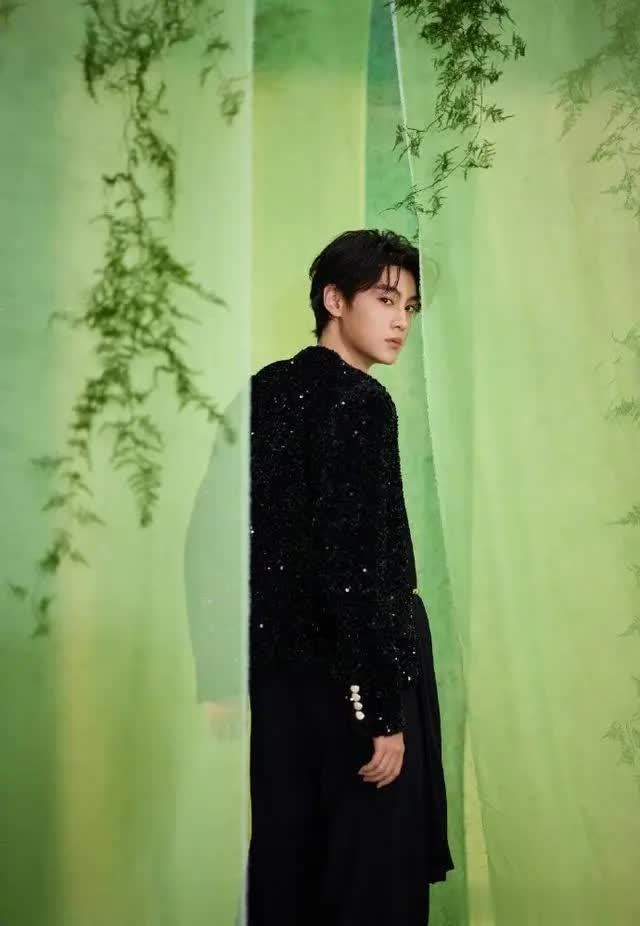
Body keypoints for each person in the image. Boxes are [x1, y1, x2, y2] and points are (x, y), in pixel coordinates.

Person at [185, 229, 454, 926]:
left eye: (410, 307)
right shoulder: (362, 404)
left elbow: (211, 535)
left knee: (289, 865)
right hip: (360, 672)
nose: (400, 321)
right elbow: (356, 565)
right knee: (372, 879)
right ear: (334, 300)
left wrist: (221, 672)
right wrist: (382, 712)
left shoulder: (261, 392)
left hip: (281, 683)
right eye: (385, 299)